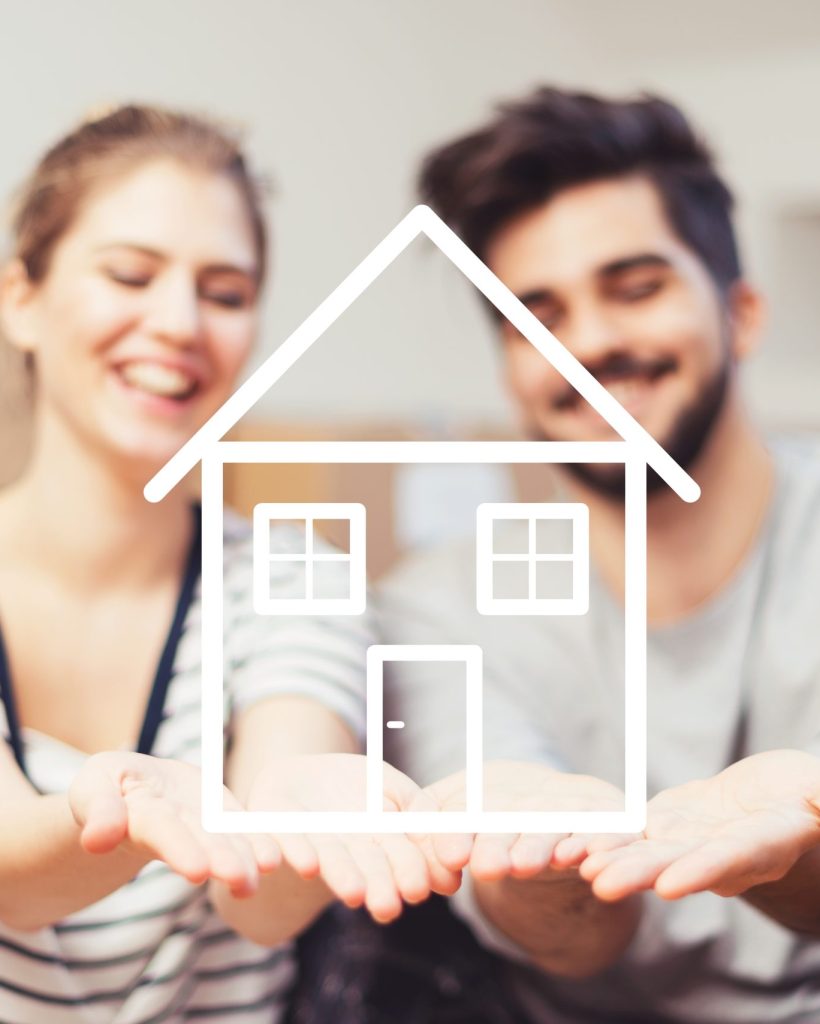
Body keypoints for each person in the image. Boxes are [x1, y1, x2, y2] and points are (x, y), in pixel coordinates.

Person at [0, 104, 455, 1024]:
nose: (178, 322)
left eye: (226, 291)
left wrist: (307, 823)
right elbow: (12, 877)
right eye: (131, 274)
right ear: (22, 298)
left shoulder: (296, 578)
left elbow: (259, 908)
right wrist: (128, 808)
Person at [377, 88, 820, 1022]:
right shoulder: (433, 612)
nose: (587, 345)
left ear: (740, 313)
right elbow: (568, 940)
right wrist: (547, 844)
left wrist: (799, 854)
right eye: (536, 314)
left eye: (636, 287)